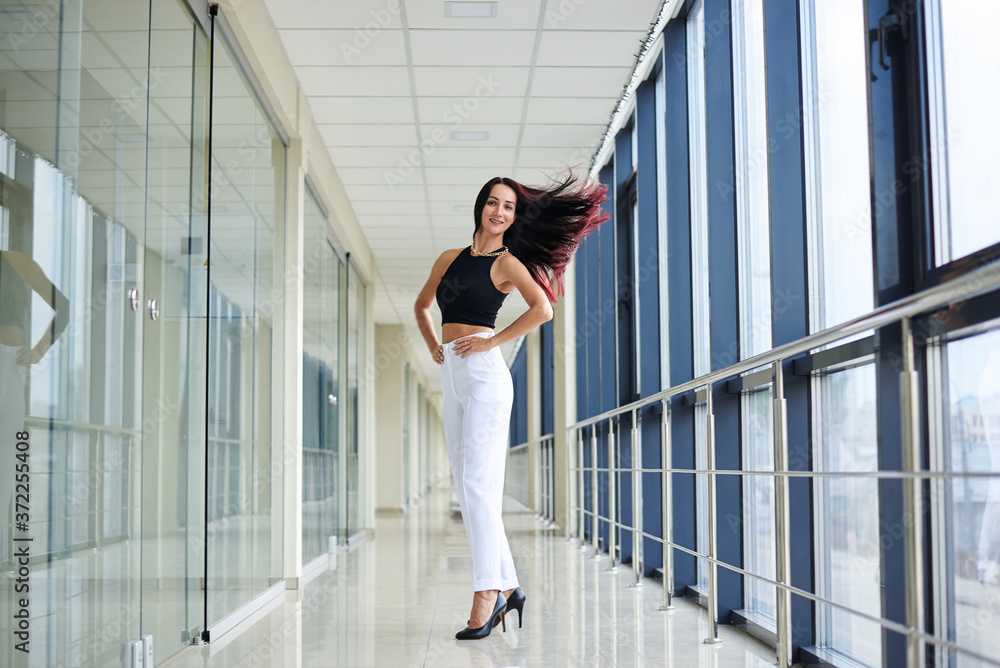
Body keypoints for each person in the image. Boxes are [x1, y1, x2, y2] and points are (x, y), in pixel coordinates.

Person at [414, 174, 608, 639]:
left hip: (484, 376)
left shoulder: (508, 263)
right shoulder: (450, 258)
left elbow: (543, 309)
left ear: (514, 217)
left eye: (508, 207)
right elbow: (423, 306)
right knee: (466, 486)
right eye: (493, 203)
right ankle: (511, 586)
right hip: (452, 375)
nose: (499, 212)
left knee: (479, 485)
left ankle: (488, 592)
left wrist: (493, 341)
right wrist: (433, 347)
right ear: (480, 207)